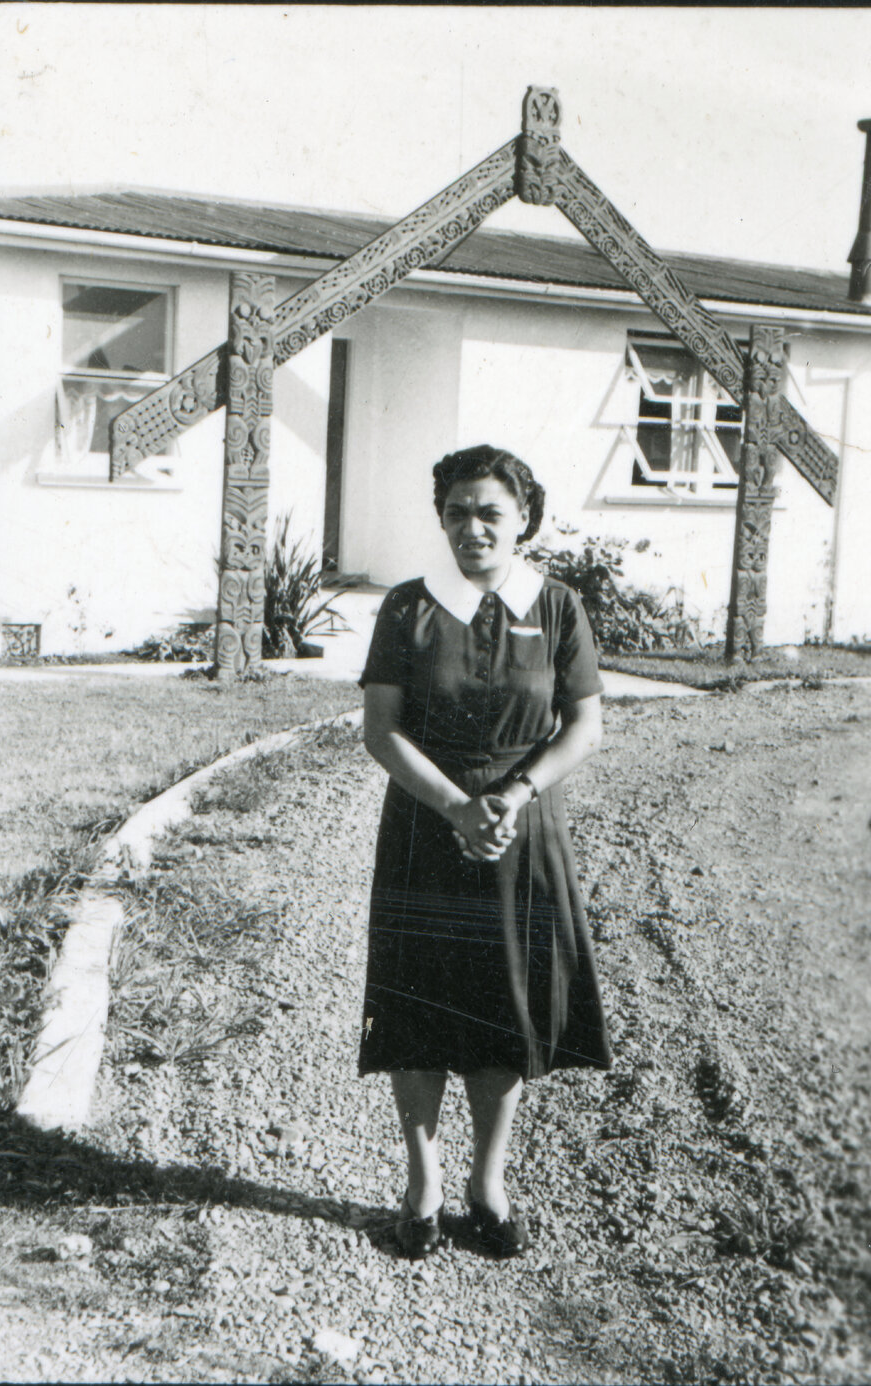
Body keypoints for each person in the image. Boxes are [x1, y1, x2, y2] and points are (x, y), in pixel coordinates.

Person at [358, 444, 612, 1260]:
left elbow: (584, 724)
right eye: (458, 511)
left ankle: (488, 1185)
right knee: (422, 1005)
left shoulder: (560, 606)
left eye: (490, 512)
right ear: (441, 518)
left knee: (504, 1005)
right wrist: (456, 805)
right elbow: (382, 728)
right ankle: (423, 1184)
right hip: (426, 827)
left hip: (519, 829)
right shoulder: (408, 607)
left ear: (524, 521)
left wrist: (511, 796)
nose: (473, 527)